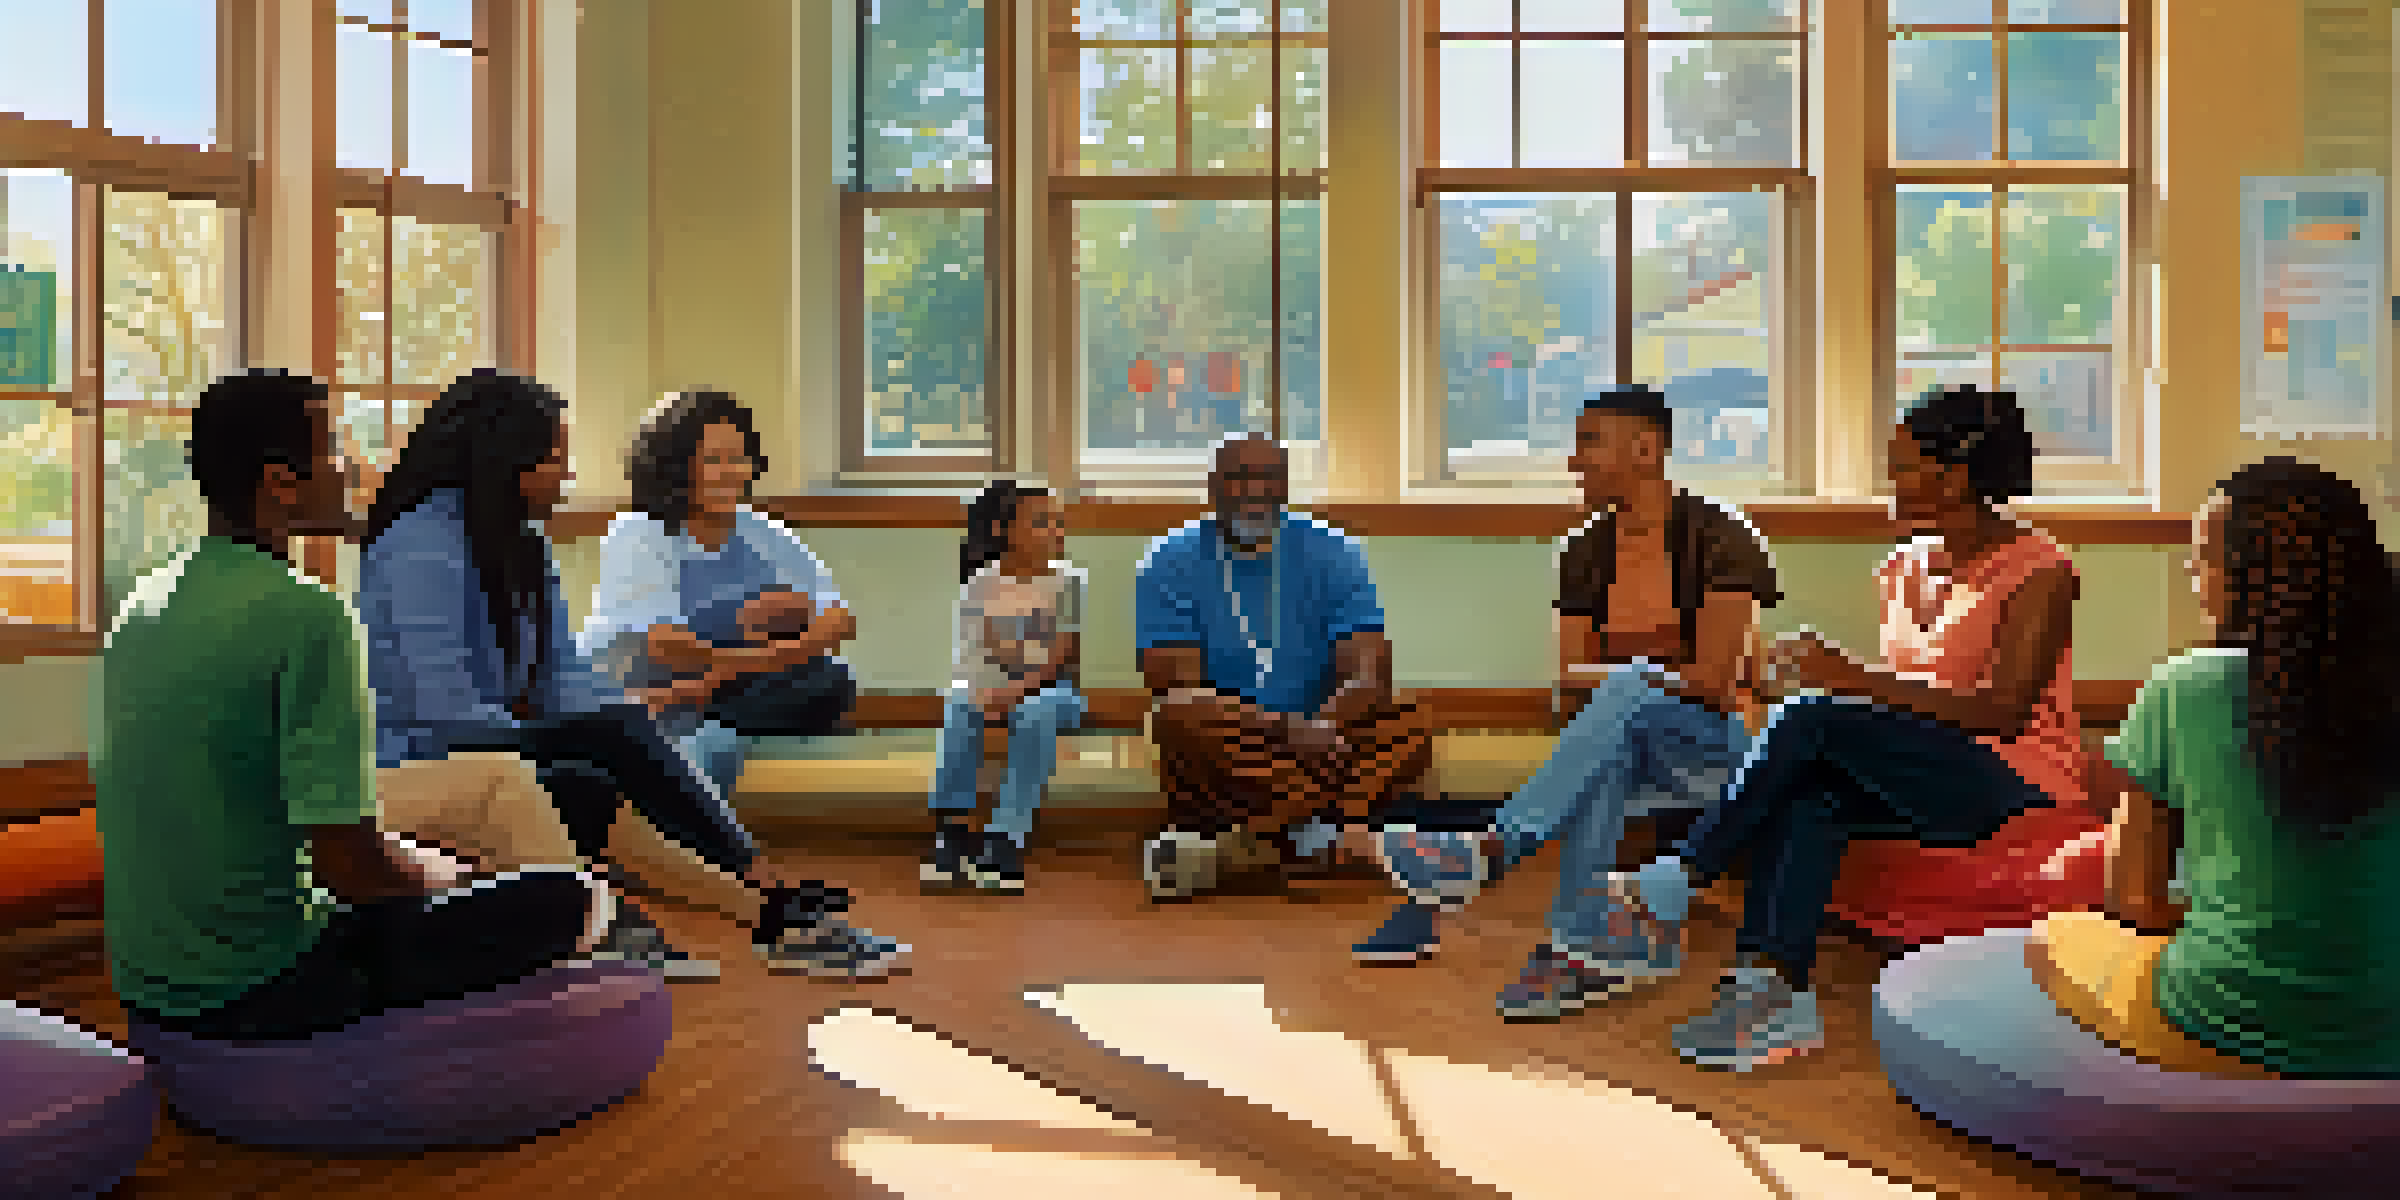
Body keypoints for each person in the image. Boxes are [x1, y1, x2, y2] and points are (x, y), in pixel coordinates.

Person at [1589, 385, 2103, 1071]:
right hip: (1924, 772)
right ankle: (1772, 994)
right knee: (1811, 794)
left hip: (2012, 780)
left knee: (1810, 718)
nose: (1890, 482)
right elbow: (1910, 698)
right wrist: (1812, 683)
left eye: (1904, 467)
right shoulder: (1902, 568)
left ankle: (1684, 874)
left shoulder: (2041, 571)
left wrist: (1850, 682)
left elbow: (2003, 711)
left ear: (1954, 478)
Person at [93, 369, 611, 1040]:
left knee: (487, 856)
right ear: (282, 482)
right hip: (268, 984)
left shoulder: (143, 604)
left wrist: (426, 864)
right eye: (334, 449)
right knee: (567, 900)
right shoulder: (309, 617)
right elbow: (348, 866)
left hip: (147, 987)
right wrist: (443, 879)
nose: (351, 467)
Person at [356, 369, 907, 979]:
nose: (566, 475)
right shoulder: (419, 545)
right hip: (419, 756)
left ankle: (765, 913)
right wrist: (605, 730)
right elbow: (444, 709)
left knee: (598, 764)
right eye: (555, 459)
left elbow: (562, 675)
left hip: (488, 743)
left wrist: (623, 717)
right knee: (603, 747)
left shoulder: (522, 542)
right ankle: (763, 899)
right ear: (507, 460)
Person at [1349, 386, 1783, 1025]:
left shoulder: (1721, 537)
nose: (1575, 461)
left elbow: (1715, 684)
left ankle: (1478, 860)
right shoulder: (1584, 551)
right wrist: (1643, 677)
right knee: (1605, 751)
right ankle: (1580, 948)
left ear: (1645, 449)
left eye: (1589, 443)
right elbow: (1570, 683)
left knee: (1625, 691)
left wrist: (1631, 676)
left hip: (1722, 753)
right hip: (1632, 745)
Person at [2034, 458, 2400, 1079]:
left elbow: (2133, 900)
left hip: (2226, 1016)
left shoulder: (2183, 688)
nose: (2191, 573)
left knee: (2054, 938)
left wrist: (2221, 926)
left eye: (2202, 557)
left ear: (2249, 579)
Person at [1134, 432, 1435, 900]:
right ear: (1212, 487)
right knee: (1176, 715)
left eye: (1269, 477)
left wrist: (1322, 728)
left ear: (1286, 486)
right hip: (1236, 741)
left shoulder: (1333, 550)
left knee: (1412, 721)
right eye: (1239, 477)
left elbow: (1369, 676)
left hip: (1326, 733)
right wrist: (1287, 730)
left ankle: (1261, 842)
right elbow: (1175, 685)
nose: (1255, 490)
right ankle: (1321, 835)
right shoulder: (1169, 559)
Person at [581, 390, 859, 804]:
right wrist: (770, 649)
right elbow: (665, 646)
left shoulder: (764, 532)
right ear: (674, 467)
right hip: (647, 681)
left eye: (738, 458)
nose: (730, 472)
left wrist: (720, 675)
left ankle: (690, 715)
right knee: (798, 683)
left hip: (711, 688)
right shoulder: (640, 531)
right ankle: (674, 726)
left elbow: (839, 620)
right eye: (713, 460)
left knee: (831, 679)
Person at [921, 481, 1087, 893]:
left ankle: (1005, 837)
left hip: (1053, 693)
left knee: (1036, 712)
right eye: (1042, 522)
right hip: (990, 689)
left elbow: (1061, 657)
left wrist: (1017, 690)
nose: (1056, 531)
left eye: (1058, 522)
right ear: (1004, 529)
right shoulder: (980, 585)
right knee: (960, 707)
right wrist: (987, 693)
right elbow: (973, 657)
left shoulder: (1069, 582)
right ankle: (953, 831)